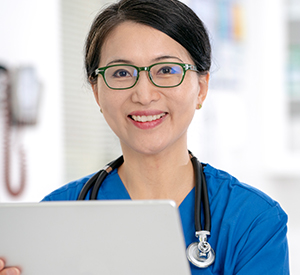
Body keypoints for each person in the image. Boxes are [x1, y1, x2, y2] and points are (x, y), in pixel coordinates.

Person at [0, 0, 289, 274]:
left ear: (201, 87)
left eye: (166, 70)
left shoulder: (253, 220)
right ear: (97, 91)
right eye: (122, 72)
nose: (144, 94)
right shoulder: (53, 217)